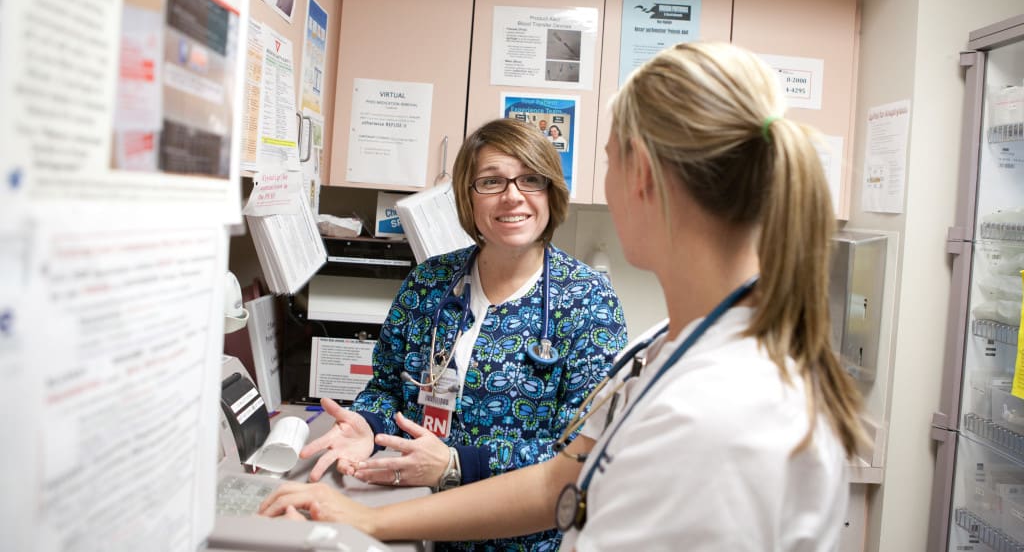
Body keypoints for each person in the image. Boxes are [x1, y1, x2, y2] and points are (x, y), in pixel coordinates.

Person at [260, 42, 865, 550]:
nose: (513, 197)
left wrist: (447, 468)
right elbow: (559, 481)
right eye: (491, 183)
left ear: (641, 178)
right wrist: (369, 517)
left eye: (605, 159)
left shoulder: (720, 415)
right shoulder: (667, 348)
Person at [296, 117, 627, 551]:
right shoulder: (429, 283)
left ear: (550, 192)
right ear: (468, 199)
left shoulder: (588, 301)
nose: (512, 195)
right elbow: (387, 388)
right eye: (491, 182)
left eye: (530, 179)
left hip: (522, 539)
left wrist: (455, 463)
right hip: (410, 521)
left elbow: (581, 453)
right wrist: (367, 424)